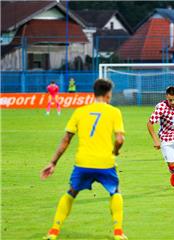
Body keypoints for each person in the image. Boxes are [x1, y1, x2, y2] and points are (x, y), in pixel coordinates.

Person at [41, 79, 127, 240]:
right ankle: (118, 233)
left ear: (94, 93)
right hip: (105, 162)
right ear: (108, 95)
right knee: (115, 192)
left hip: (83, 162)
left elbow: (66, 139)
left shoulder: (80, 112)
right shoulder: (114, 112)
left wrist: (53, 162)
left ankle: (53, 232)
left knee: (71, 192)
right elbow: (120, 139)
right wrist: (115, 151)